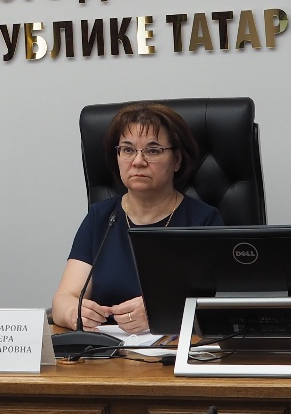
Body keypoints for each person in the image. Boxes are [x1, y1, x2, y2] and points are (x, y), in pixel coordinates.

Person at [53, 102, 224, 335]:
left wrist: (161, 311)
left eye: (152, 151)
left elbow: (213, 307)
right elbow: (63, 299)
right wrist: (74, 312)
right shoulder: (100, 218)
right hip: (107, 350)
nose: (138, 161)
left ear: (176, 160)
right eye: (127, 150)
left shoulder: (203, 221)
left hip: (175, 349)